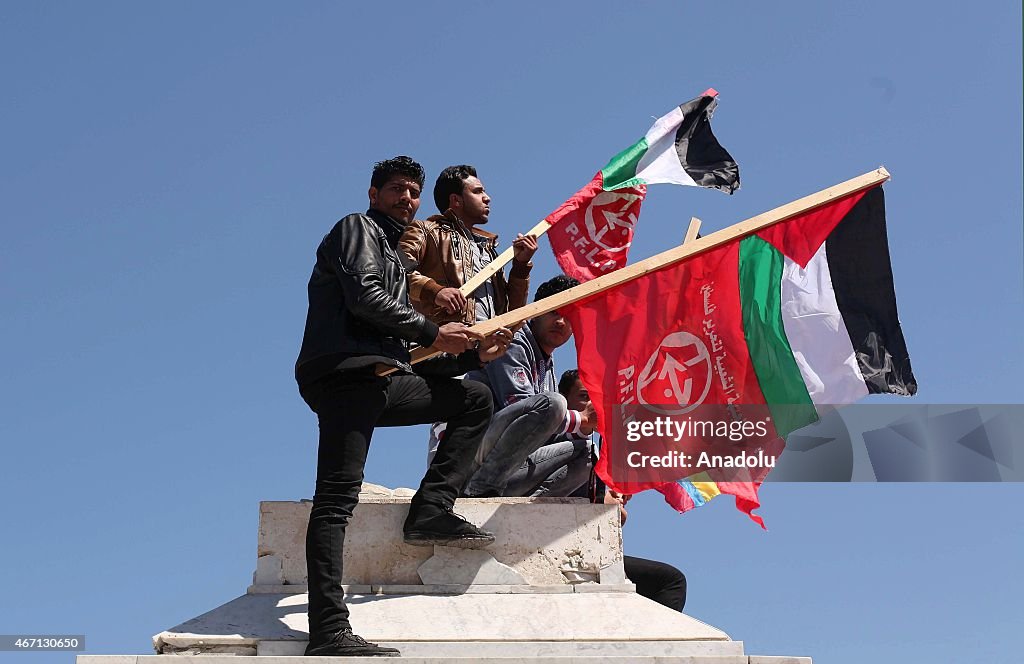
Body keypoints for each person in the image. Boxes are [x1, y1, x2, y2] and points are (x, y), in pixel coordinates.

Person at [294, 156, 512, 657]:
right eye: (396, 190)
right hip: (346, 378)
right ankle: (328, 631)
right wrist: (437, 331)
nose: (407, 199)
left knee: (474, 397)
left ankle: (430, 511)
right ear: (373, 194)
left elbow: (401, 351)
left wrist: (471, 352)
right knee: (335, 502)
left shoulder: (395, 257)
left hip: (381, 378)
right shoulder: (356, 229)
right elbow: (365, 299)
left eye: (413, 192)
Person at [558, 369, 688, 612]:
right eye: (584, 396)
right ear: (563, 400)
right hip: (568, 553)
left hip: (587, 550)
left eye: (596, 398)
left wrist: (611, 500)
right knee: (670, 582)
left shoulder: (592, 447)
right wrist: (605, 502)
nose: (592, 404)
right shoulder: (563, 442)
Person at [460, 275, 598, 498]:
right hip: (471, 459)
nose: (561, 322)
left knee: (589, 453)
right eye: (554, 312)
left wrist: (586, 427)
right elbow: (525, 409)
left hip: (507, 467)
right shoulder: (512, 341)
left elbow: (543, 434)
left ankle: (524, 511)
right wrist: (581, 419)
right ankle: (478, 490)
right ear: (536, 311)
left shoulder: (547, 364)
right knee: (553, 403)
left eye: (569, 317)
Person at [398, 164, 537, 326]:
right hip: (442, 342)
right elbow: (397, 273)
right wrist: (436, 291)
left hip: (488, 345)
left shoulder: (488, 250)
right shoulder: (426, 230)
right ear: (456, 200)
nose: (487, 197)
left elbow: (512, 314)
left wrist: (520, 267)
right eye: (477, 191)